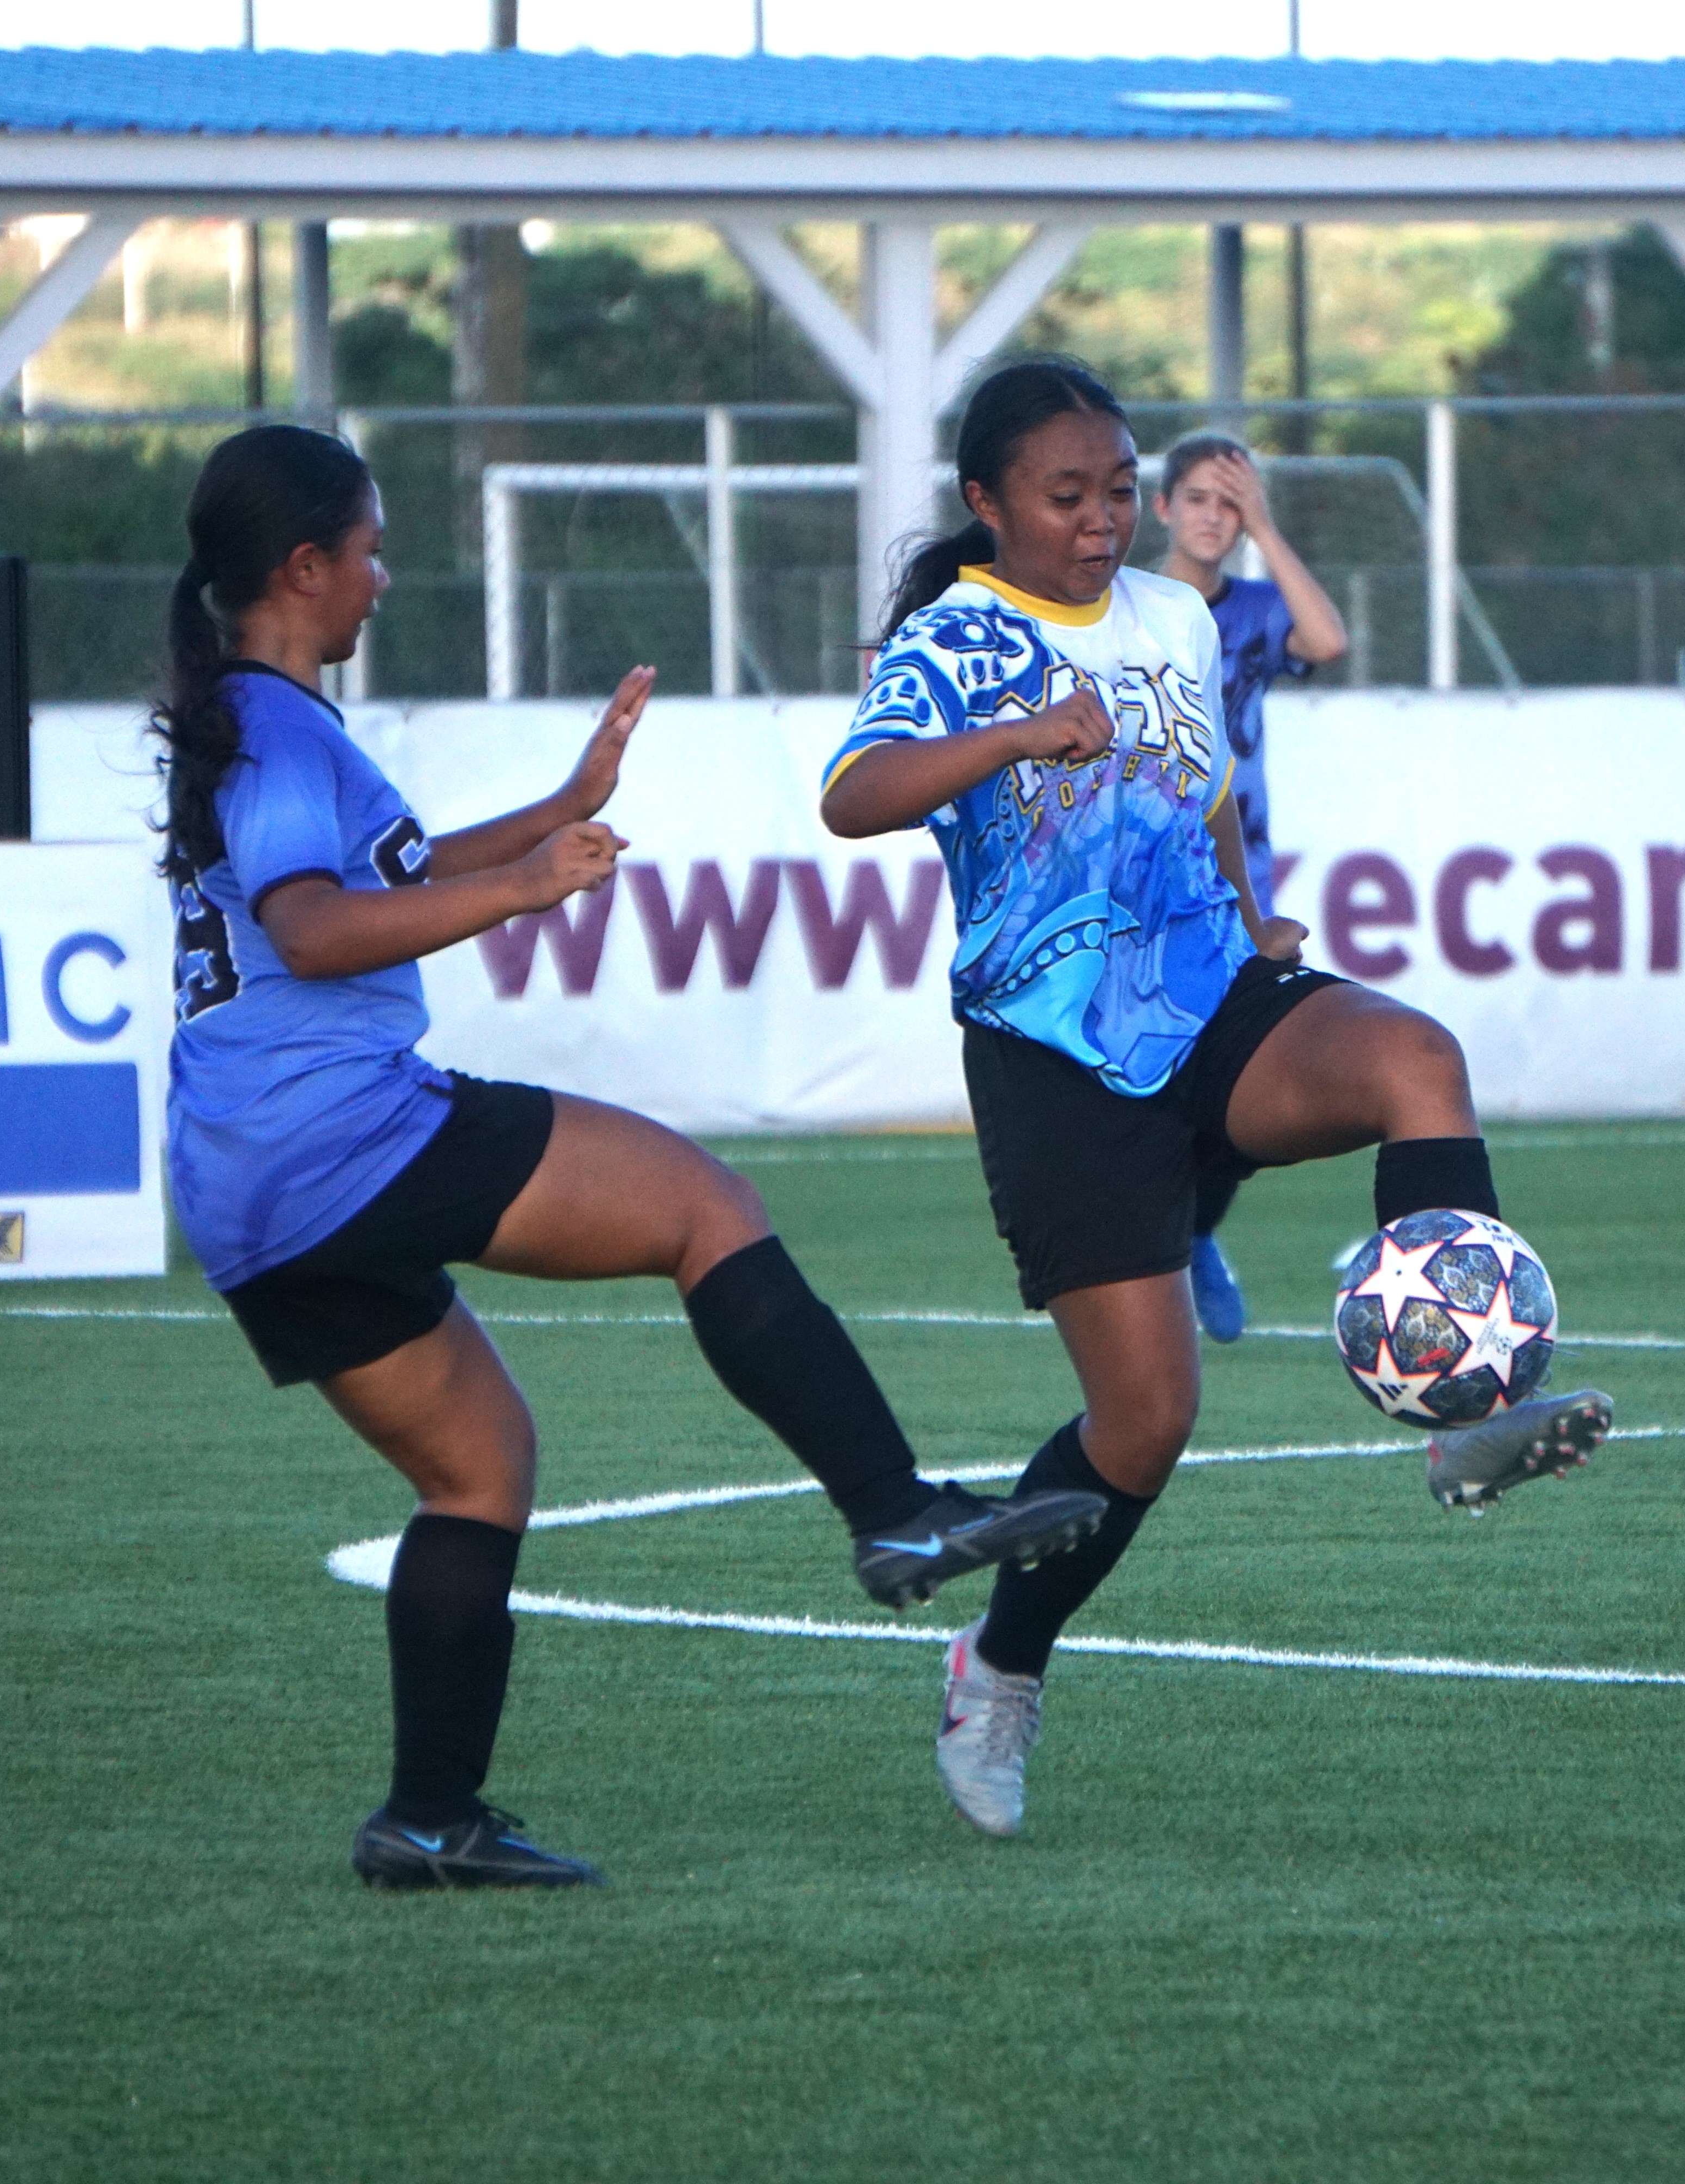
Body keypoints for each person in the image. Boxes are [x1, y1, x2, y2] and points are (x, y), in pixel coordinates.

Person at [153, 424, 1106, 1893]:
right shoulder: (278, 728)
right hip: (339, 1133)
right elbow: (312, 929)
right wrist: (533, 886)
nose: (382, 576)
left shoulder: (255, 715)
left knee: (480, 1471)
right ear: (302, 565)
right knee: (700, 1208)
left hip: (247, 1188)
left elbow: (378, 877)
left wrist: (557, 808)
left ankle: (429, 1820)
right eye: (370, 548)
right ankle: (893, 1508)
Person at [820, 360, 1612, 1840]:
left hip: (1213, 998)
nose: (1103, 518)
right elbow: (854, 795)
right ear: (988, 505)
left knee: (1414, 1057)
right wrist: (1013, 736)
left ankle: (1468, 1409)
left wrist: (1257, 921)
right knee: (1146, 1421)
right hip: (1055, 1055)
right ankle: (998, 1665)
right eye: (1068, 495)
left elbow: (1212, 795)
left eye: (1119, 487)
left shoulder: (1177, 615)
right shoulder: (958, 638)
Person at [1152, 433, 1348, 1344]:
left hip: (1239, 880)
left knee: (1242, 1074)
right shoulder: (1127, 607)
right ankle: (1147, 1251)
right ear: (1162, 508)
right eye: (1197, 498)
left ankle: (1195, 1232)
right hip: (1135, 872)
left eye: (1229, 504)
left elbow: (1328, 640)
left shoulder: (1256, 612)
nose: (1211, 516)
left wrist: (1267, 527)